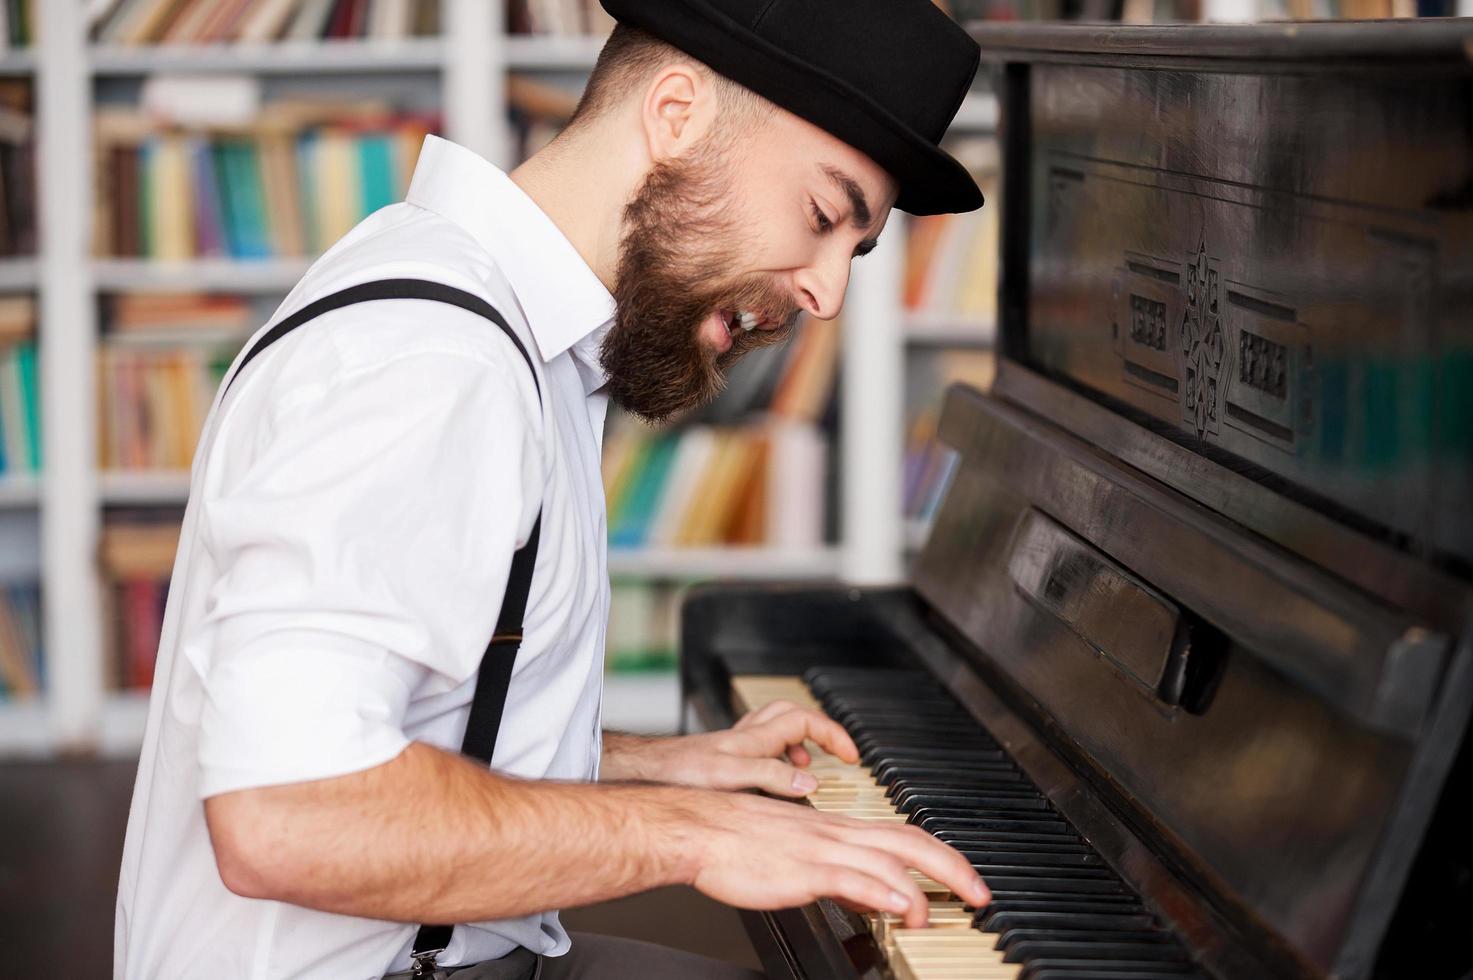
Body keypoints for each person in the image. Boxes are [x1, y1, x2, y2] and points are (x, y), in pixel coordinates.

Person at [114, 1, 990, 977]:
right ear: (674, 112)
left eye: (854, 252)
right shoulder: (433, 360)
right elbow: (287, 811)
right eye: (825, 215)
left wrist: (655, 762)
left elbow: (427, 708)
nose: (828, 292)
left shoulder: (508, 322)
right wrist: (693, 832)